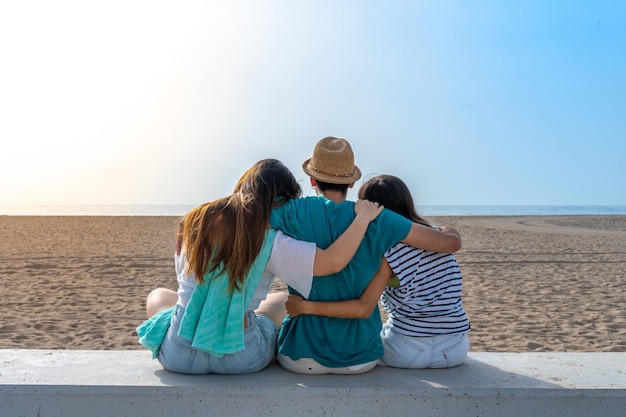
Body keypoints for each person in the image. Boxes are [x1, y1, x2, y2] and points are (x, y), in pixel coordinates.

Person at [136, 158, 383, 374]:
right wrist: (362, 218)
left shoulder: (194, 224)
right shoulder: (273, 240)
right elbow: (333, 262)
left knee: (159, 296)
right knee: (276, 305)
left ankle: (180, 324)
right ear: (281, 201)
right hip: (240, 356)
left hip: (178, 354)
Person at [269, 137, 462, 374]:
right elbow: (448, 243)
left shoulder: (289, 212)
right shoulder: (381, 218)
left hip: (300, 357)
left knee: (275, 304)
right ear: (351, 183)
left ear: (311, 179)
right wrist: (444, 229)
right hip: (359, 360)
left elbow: (245, 211)